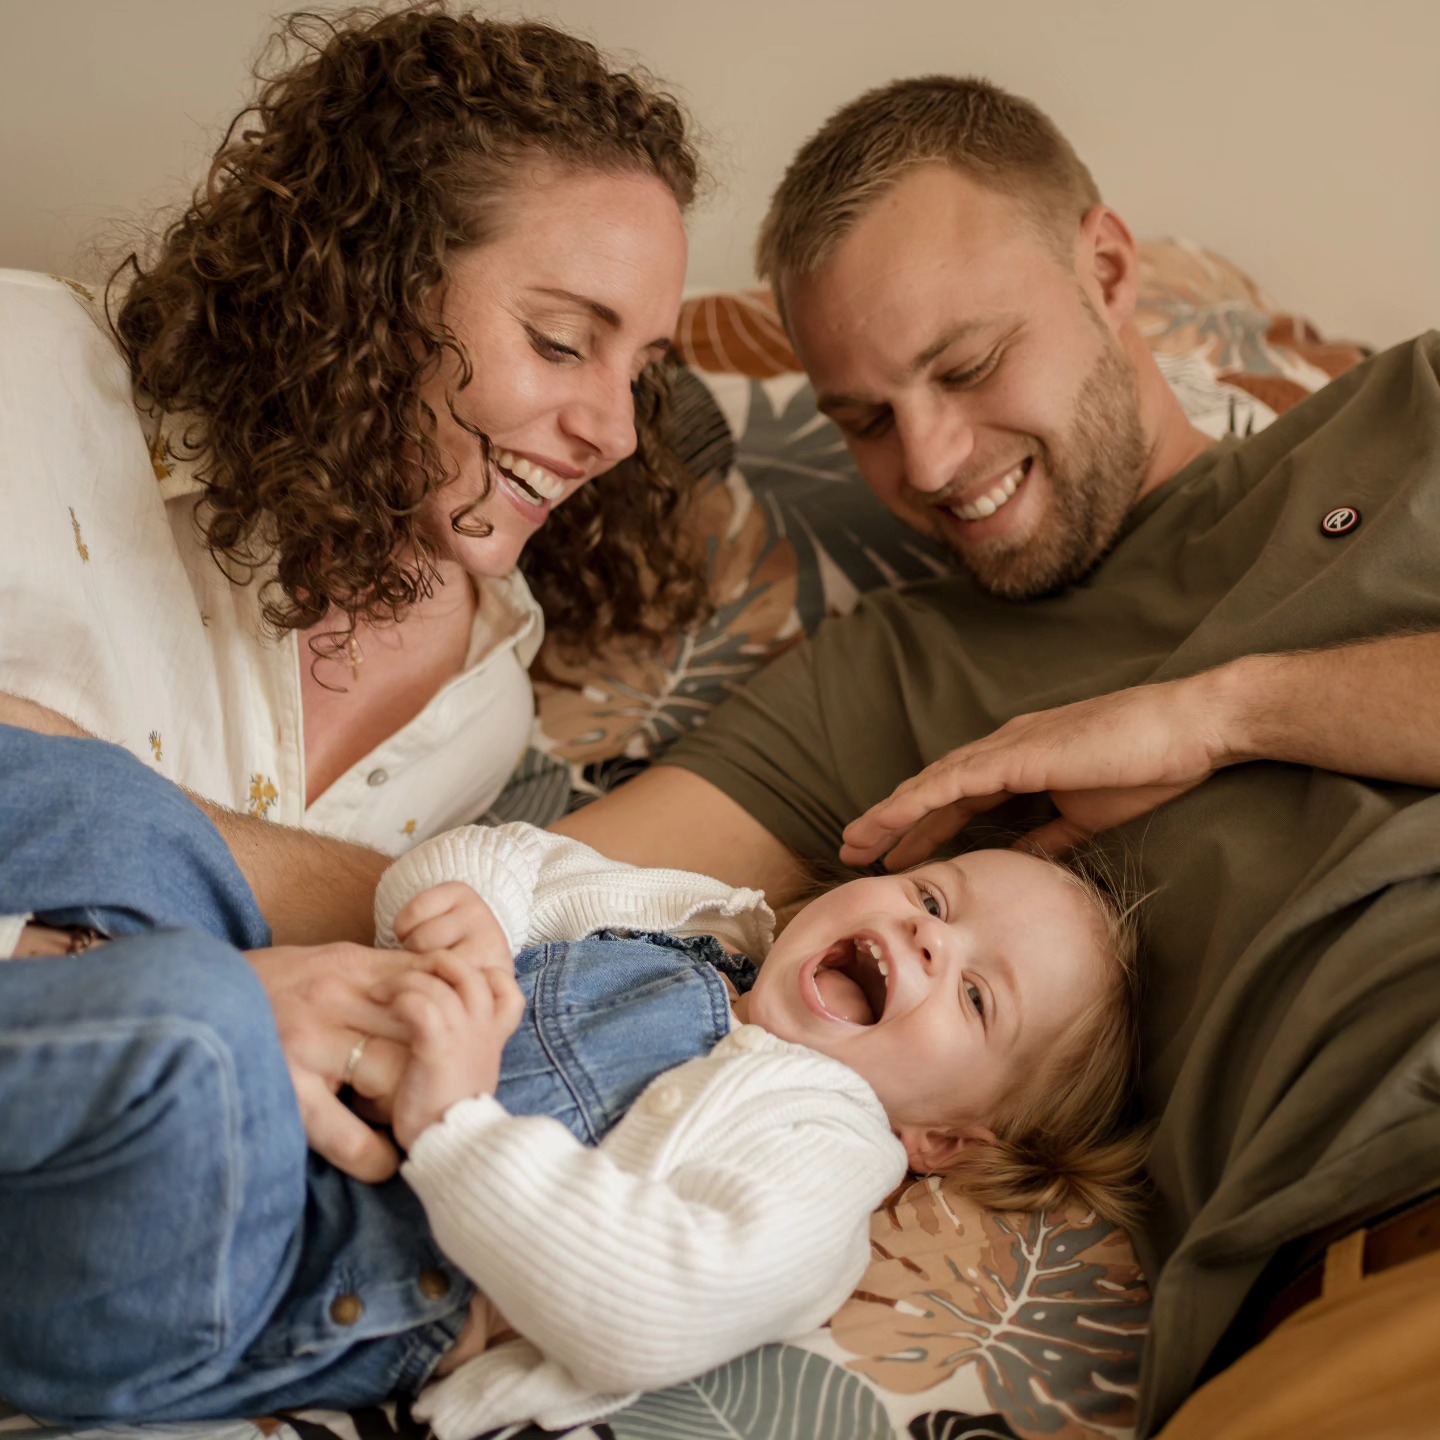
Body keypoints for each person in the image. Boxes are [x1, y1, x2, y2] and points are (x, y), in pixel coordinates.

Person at [547, 78, 1440, 1439]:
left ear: (1108, 268)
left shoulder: (1410, 415)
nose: (932, 461)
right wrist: (122, 805)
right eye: (862, 418)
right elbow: (512, 899)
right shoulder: (893, 680)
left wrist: (1221, 711)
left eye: (965, 367)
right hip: (1352, 1270)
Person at [0, 722, 1144, 1435]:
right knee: (112, 809)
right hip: (277, 1067)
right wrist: (471, 926)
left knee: (202, 1021)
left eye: (979, 998)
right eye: (935, 897)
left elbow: (652, 1305)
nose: (931, 941)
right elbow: (507, 857)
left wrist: (456, 1123)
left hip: (243, 1271)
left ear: (950, 1140)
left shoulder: (827, 1144)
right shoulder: (701, 931)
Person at [0, 4, 703, 866]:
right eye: (560, 342)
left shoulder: (482, 710)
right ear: (376, 280)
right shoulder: (28, 372)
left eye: (639, 374)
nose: (620, 434)